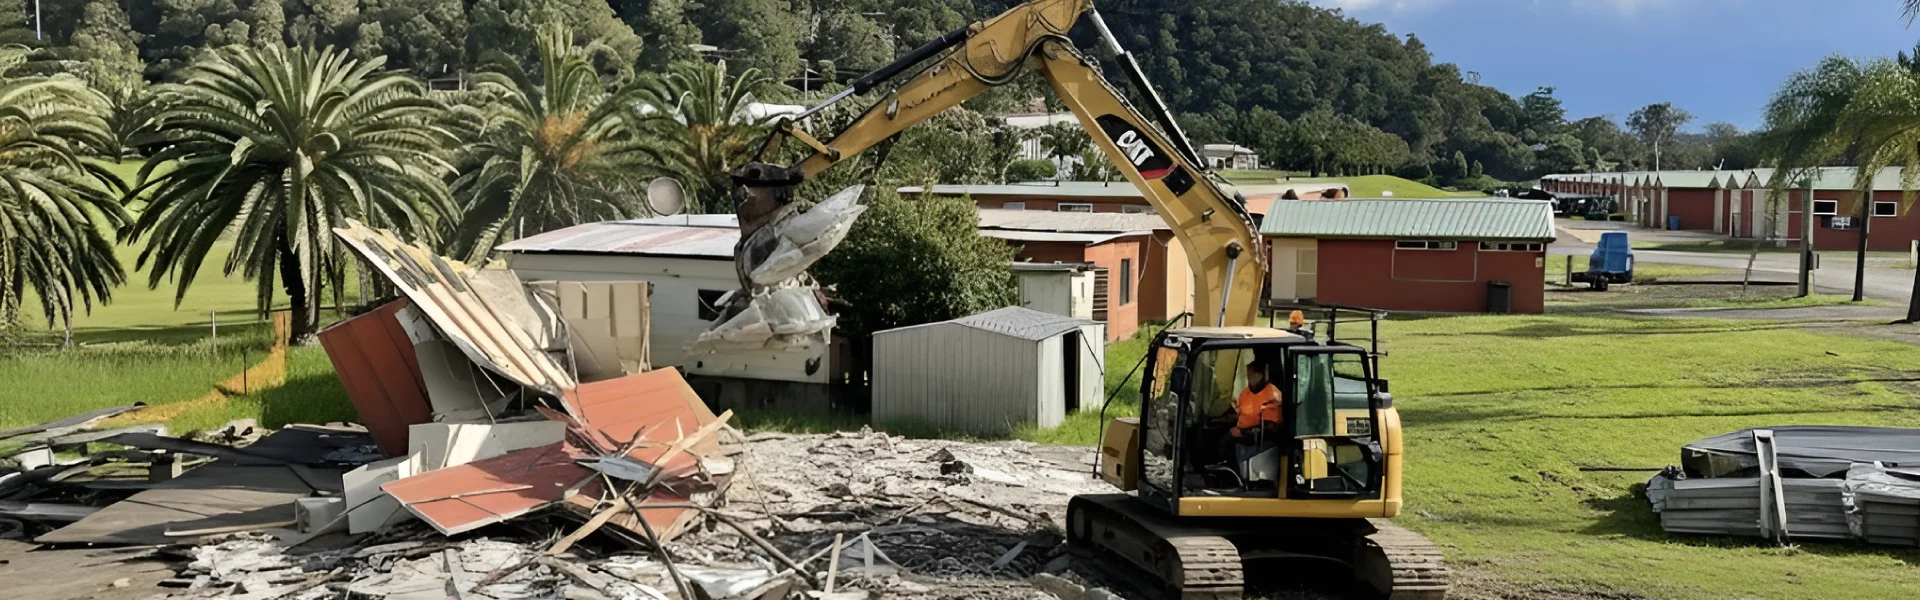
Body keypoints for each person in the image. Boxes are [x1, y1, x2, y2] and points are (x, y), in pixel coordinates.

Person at [1232, 362, 1282, 443]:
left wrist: (1244, 433)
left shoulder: (1272, 395)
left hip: (1257, 438)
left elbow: (1270, 428)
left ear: (1259, 375)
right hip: (1240, 431)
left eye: (1251, 375)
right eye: (1247, 375)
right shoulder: (1245, 393)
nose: (1248, 378)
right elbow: (1241, 412)